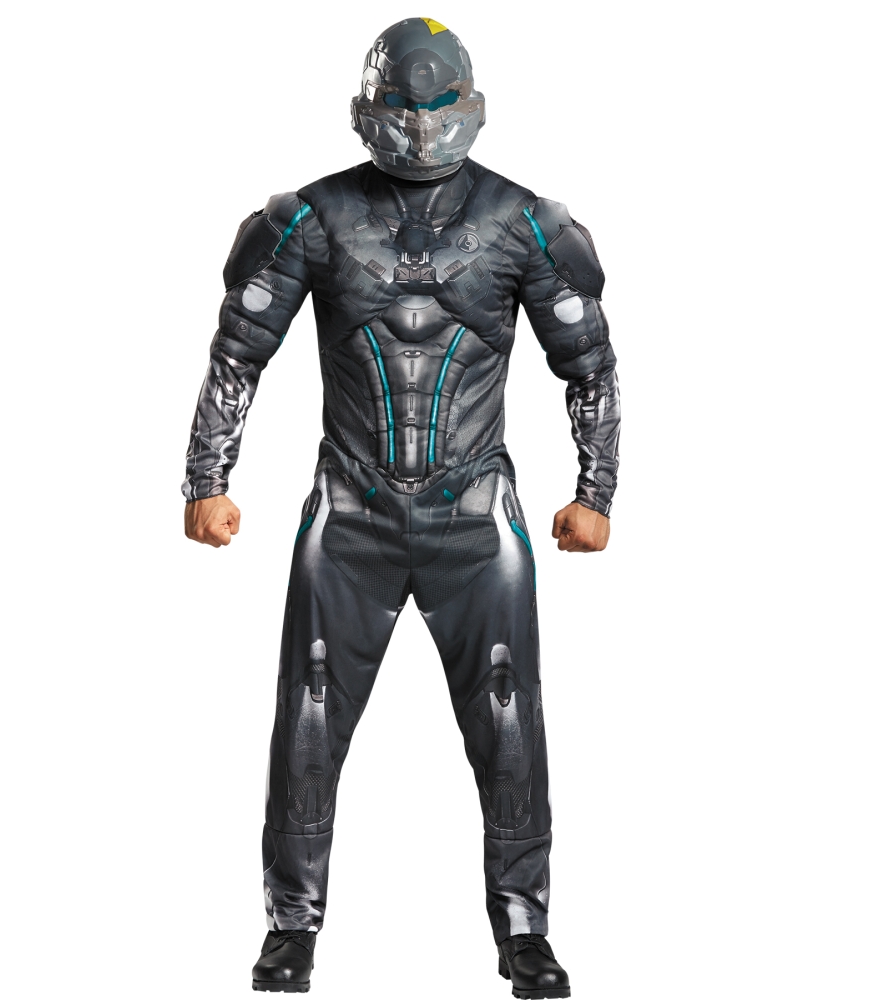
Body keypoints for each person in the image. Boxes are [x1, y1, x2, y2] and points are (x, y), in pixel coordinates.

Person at [182, 17, 619, 998]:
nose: (420, 126)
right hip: (352, 510)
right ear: (369, 108)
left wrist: (594, 492)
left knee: (509, 721)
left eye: (434, 106)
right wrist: (206, 478)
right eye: (404, 106)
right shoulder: (314, 217)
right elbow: (238, 352)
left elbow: (588, 361)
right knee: (307, 714)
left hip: (476, 512)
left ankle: (524, 931)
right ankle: (290, 927)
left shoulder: (523, 222)